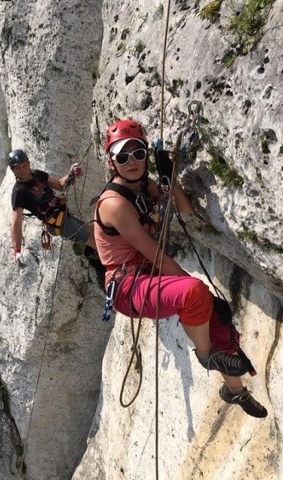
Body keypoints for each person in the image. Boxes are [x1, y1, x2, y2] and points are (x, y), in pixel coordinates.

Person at [93, 119, 267, 418]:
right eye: (122, 157)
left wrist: (168, 176)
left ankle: (235, 391)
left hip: (148, 275)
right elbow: (155, 254)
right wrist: (199, 295)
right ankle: (205, 357)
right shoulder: (113, 204)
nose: (131, 162)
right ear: (112, 163)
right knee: (196, 295)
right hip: (128, 286)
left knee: (220, 316)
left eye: (137, 153)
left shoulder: (146, 187)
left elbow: (185, 209)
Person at [9, 149, 97, 266]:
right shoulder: (19, 192)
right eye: (18, 168)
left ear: (29, 164)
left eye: (24, 166)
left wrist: (71, 174)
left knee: (95, 231)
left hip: (64, 214)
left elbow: (60, 185)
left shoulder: (37, 174)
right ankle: (117, 261)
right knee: (93, 241)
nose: (22, 170)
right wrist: (17, 251)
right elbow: (16, 223)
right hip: (58, 223)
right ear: (13, 171)